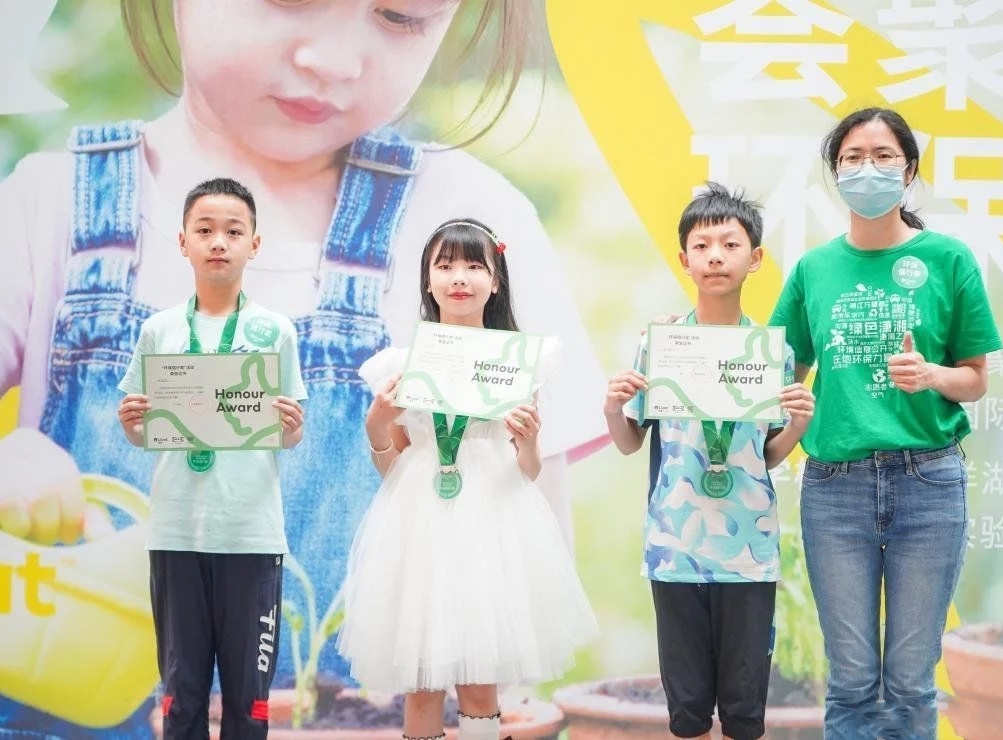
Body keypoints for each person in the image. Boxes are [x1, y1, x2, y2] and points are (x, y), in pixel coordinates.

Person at [0, 2, 605, 735]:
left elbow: (526, 549)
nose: (335, 59)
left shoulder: (469, 227)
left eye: (401, 15)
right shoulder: (48, 209)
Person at [768, 107, 1003, 740]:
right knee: (849, 680)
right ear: (834, 172)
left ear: (909, 169)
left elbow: (975, 378)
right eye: (852, 158)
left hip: (928, 484)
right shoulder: (814, 270)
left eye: (882, 156)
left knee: (909, 681)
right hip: (834, 488)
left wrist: (931, 374)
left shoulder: (948, 259)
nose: (866, 169)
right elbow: (774, 370)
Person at [337, 218, 597, 740]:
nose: (460, 277)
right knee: (422, 686)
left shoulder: (517, 363)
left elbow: (527, 470)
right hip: (419, 526)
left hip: (492, 525)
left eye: (475, 265)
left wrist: (528, 441)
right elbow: (393, 469)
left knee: (480, 687)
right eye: (446, 265)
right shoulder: (400, 365)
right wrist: (377, 425)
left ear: (495, 281)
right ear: (427, 281)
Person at [603, 183, 815, 740]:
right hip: (676, 546)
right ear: (684, 260)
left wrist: (797, 425)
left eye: (730, 244)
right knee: (688, 709)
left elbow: (766, 455)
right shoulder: (661, 345)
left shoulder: (772, 353)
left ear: (756, 258)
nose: (715, 256)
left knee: (744, 711)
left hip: (749, 547)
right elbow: (629, 442)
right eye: (702, 246)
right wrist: (612, 406)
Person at [116, 178, 308, 739]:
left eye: (233, 231)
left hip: (250, 534)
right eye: (204, 230)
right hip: (177, 531)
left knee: (250, 703)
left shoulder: (275, 331)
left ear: (255, 244)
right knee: (181, 697)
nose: (218, 242)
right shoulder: (159, 330)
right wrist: (131, 424)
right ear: (183, 242)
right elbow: (143, 432)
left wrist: (292, 429)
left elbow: (287, 436)